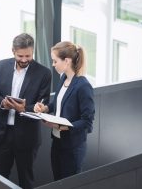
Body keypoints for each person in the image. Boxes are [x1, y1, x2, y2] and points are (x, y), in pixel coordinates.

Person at [0, 33, 52, 189]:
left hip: (27, 137)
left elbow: (43, 104)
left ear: (33, 52)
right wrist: (3, 103)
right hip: (3, 134)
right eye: (20, 56)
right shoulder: (2, 65)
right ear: (13, 51)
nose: (24, 60)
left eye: (28, 56)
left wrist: (24, 108)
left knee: (26, 180)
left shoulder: (44, 73)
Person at [34, 41, 95, 181]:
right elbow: (59, 104)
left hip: (73, 148)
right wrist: (46, 108)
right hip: (57, 142)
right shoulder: (63, 79)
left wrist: (63, 126)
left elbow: (87, 122)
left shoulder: (83, 86)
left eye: (55, 61)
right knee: (57, 182)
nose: (53, 64)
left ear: (66, 61)